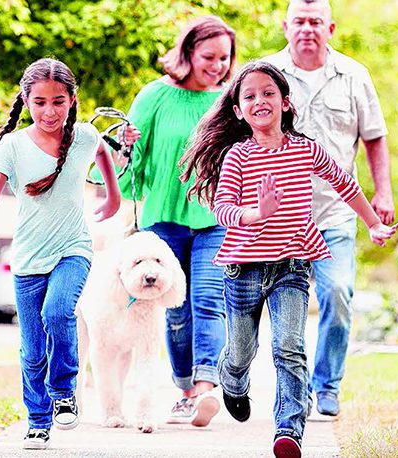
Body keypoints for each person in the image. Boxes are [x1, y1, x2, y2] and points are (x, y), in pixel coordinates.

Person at [179, 61, 398, 458]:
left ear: (285, 101)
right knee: (241, 351)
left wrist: (372, 224)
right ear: (238, 111)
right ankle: (233, 380)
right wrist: (256, 213)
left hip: (292, 266)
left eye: (268, 93)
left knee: (289, 348)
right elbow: (223, 210)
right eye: (250, 96)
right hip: (244, 268)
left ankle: (288, 430)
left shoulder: (305, 149)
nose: (260, 100)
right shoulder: (238, 156)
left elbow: (344, 184)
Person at [0, 58, 138, 450]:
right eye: (39, 102)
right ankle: (38, 421)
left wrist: (113, 195)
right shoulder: (13, 146)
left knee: (58, 312)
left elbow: (103, 153)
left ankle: (64, 392)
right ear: (26, 101)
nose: (49, 111)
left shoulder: (84, 136)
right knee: (33, 348)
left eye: (58, 102)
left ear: (72, 100)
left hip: (73, 249)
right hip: (27, 258)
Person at [261, 0, 396, 417]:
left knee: (337, 294)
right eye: (299, 21)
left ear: (330, 28)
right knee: (285, 310)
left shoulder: (354, 75)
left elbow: (374, 137)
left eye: (315, 22)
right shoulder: (266, 74)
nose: (307, 29)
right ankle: (293, 389)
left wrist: (383, 192)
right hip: (280, 217)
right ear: (285, 26)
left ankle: (327, 385)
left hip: (335, 211)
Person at [117, 15, 236, 427]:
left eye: (224, 58)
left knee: (208, 300)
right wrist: (124, 147)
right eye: (209, 56)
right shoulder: (154, 96)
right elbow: (130, 168)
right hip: (164, 220)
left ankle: (204, 389)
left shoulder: (228, 102)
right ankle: (185, 388)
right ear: (187, 53)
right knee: (176, 309)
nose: (218, 66)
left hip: (215, 217)